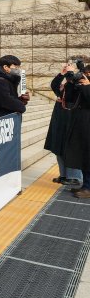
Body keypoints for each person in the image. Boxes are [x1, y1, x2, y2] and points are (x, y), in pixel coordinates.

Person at [45, 63, 83, 187]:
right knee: (58, 146)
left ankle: (74, 177)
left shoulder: (79, 83)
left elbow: (74, 86)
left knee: (70, 146)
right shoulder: (66, 85)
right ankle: (64, 175)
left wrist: (71, 73)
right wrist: (62, 73)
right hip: (60, 118)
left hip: (72, 118)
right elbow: (54, 86)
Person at [59, 64, 90, 199]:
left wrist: (88, 86)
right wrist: (71, 81)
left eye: (88, 73)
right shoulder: (82, 85)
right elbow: (70, 98)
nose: (86, 75)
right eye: (86, 73)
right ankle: (86, 185)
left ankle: (88, 188)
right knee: (83, 155)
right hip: (81, 125)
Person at [0, 55, 29, 121]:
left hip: (6, 123)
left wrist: (22, 100)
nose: (18, 69)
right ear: (5, 67)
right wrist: (21, 106)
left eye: (18, 67)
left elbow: (8, 98)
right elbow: (6, 101)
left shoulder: (7, 81)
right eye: (15, 66)